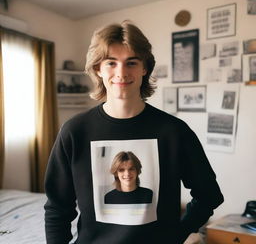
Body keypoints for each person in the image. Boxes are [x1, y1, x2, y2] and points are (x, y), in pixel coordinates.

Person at [44, 20, 224, 244]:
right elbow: (57, 209)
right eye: (111, 63)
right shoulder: (74, 131)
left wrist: (179, 233)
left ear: (144, 68)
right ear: (98, 69)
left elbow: (209, 194)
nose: (121, 72)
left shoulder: (174, 131)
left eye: (131, 62)